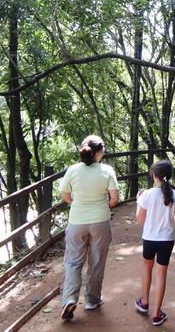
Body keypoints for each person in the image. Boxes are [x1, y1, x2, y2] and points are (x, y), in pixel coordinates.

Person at [59, 135, 119, 320]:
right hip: (100, 221)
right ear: (99, 153)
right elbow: (115, 199)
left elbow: (65, 196)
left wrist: (78, 205)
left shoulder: (73, 170)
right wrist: (102, 207)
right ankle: (92, 300)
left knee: (73, 261)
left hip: (76, 221)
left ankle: (69, 299)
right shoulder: (107, 170)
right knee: (96, 261)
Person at [134, 160, 175, 326]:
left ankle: (144, 302)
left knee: (146, 269)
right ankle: (157, 314)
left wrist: (138, 201)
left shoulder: (146, 195)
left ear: (154, 176)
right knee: (161, 274)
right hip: (166, 240)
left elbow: (140, 220)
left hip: (149, 239)